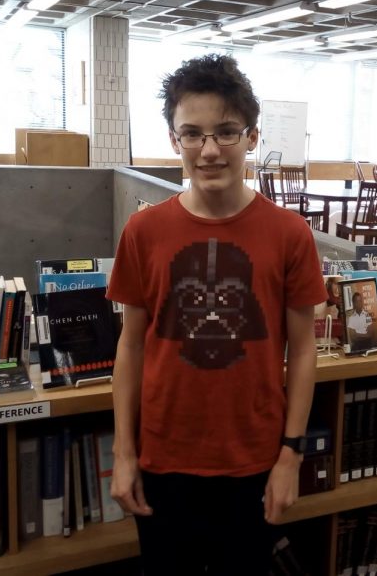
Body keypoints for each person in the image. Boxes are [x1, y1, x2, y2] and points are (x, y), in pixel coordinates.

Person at [106, 54, 325, 576]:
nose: (209, 150)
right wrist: (123, 454)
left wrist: (291, 456)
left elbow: (305, 347)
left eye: (226, 132)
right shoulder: (143, 232)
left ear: (252, 137)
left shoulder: (290, 234)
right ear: (173, 139)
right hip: (162, 461)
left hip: (253, 462)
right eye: (192, 134)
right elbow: (131, 345)